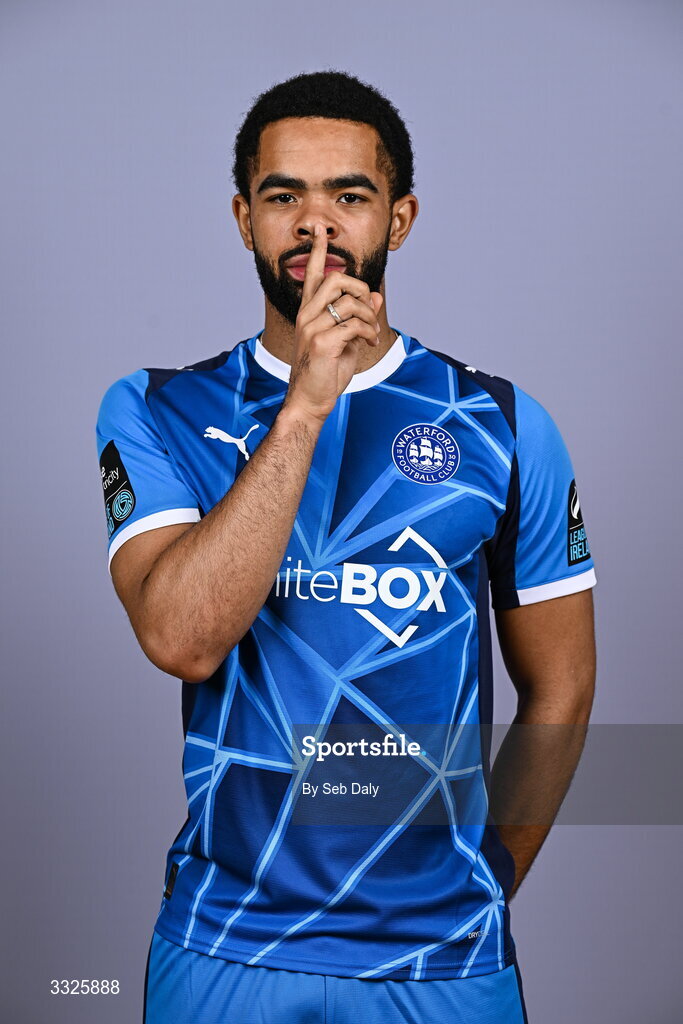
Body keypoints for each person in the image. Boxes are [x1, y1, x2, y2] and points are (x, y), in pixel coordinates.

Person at [96, 70, 597, 1024]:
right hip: (225, 944)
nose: (315, 226)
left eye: (349, 197)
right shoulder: (156, 408)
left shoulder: (501, 423)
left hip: (441, 961)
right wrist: (306, 403)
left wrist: (482, 884)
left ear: (398, 220)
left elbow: (562, 688)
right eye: (283, 196)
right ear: (243, 218)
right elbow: (181, 640)